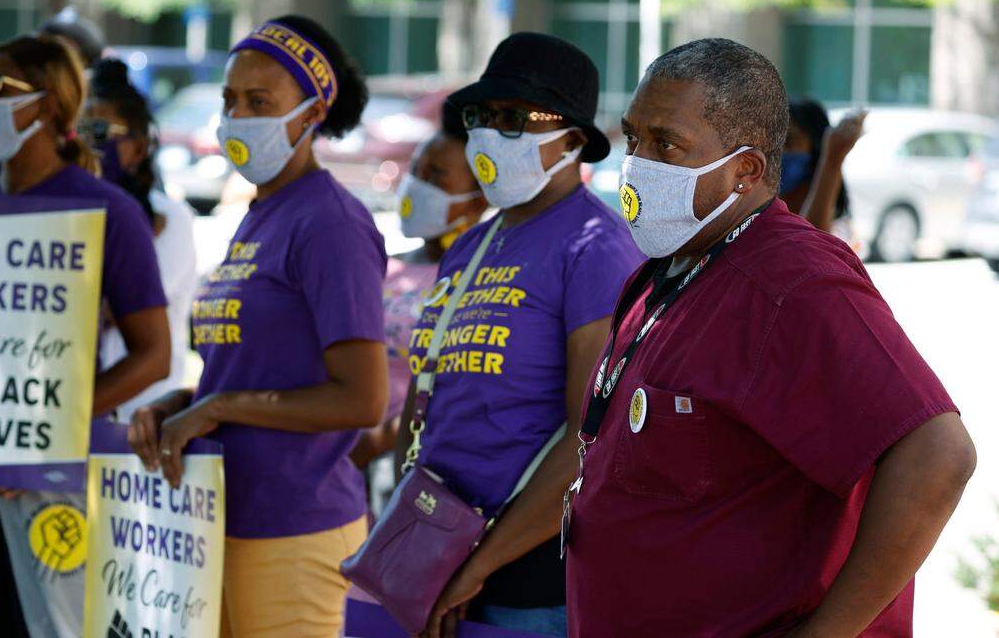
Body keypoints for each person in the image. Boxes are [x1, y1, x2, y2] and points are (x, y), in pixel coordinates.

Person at [565, 38, 975, 638]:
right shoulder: (673, 263)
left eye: (666, 144)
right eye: (633, 138)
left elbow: (938, 457)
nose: (637, 163)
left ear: (746, 170)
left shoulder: (794, 281)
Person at [126, 15, 386, 638]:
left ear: (311, 113)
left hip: (296, 528)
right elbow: (260, 371)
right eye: (229, 100)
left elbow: (362, 397)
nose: (236, 116)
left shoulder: (329, 223)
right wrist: (183, 401)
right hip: (221, 516)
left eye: (259, 102)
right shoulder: (261, 212)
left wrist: (219, 407)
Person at [0, 34, 169, 638]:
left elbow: (154, 355)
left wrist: (49, 432)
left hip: (45, 474)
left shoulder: (109, 211)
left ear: (51, 106)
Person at [395, 33, 644, 638]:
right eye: (481, 116)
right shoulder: (470, 248)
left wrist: (478, 566)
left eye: (514, 119)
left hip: (528, 582)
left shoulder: (594, 246)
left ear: (573, 140)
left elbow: (589, 440)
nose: (486, 133)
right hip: (437, 559)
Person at [349, 102, 487, 508]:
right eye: (417, 172)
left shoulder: (476, 279)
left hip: (409, 465)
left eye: (437, 177)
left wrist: (379, 441)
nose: (418, 186)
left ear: (477, 200)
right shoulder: (385, 264)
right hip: (348, 454)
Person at [84, 57, 197, 419]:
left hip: (142, 419)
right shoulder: (66, 215)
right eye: (74, 133)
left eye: (99, 133)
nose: (85, 145)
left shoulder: (171, 220)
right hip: (80, 417)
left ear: (139, 145)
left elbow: (118, 310)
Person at [780, 97, 865, 236]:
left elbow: (811, 244)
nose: (779, 152)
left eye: (789, 141)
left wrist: (832, 160)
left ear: (816, 148)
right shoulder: (756, 217)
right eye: (773, 142)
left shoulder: (839, 230)